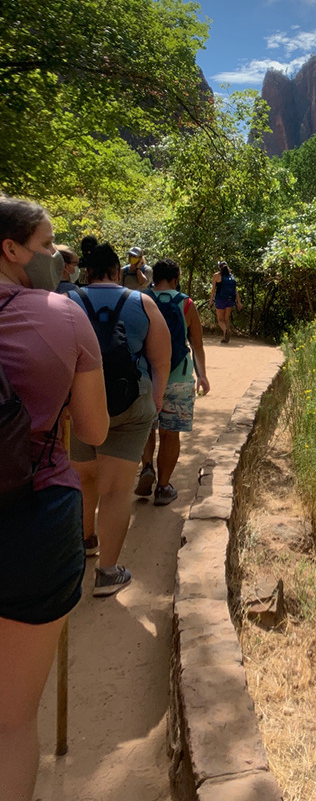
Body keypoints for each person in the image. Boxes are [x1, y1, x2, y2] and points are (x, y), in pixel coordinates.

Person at [0, 196, 109, 801]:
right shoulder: (63, 317)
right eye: (45, 246)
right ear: (10, 249)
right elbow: (93, 431)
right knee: (11, 720)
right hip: (33, 518)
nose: (53, 258)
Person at [67, 243, 171, 595]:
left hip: (81, 404)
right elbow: (161, 359)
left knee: (85, 481)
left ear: (87, 272)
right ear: (116, 270)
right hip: (131, 403)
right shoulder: (142, 302)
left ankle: (86, 542)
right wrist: (154, 400)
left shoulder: (68, 302)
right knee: (115, 491)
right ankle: (108, 574)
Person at [135, 259, 210, 505]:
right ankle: (163, 487)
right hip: (177, 376)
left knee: (147, 428)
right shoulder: (186, 303)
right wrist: (202, 375)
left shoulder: (139, 299)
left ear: (154, 277)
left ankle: (147, 466)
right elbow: (196, 343)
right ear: (176, 278)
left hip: (145, 376)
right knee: (170, 433)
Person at [210, 260, 242, 343]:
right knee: (226, 319)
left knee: (220, 320)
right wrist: (238, 302)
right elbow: (235, 290)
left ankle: (225, 331)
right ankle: (225, 338)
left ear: (219, 268)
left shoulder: (216, 275)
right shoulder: (231, 276)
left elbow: (213, 290)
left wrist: (211, 301)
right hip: (230, 300)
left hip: (220, 299)